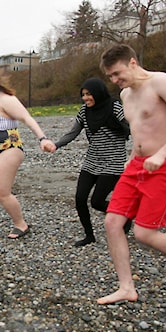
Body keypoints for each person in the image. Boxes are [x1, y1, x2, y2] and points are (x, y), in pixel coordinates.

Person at [96, 44, 166, 304]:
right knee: (112, 223)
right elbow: (140, 131)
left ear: (132, 63)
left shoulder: (161, 82)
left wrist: (162, 153)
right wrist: (132, 158)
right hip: (137, 165)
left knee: (144, 232)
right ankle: (126, 287)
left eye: (117, 73)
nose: (115, 80)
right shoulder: (126, 95)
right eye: (110, 77)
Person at [0, 67, 56, 239]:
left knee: (2, 191)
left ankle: (21, 224)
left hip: (8, 148)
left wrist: (43, 138)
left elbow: (27, 118)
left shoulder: (7, 100)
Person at [51, 77, 129, 247]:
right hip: (92, 159)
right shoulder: (84, 111)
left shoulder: (115, 107)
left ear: (98, 93)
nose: (86, 98)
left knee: (97, 202)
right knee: (80, 198)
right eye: (83, 95)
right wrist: (55, 145)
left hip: (113, 161)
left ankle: (126, 216)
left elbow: (131, 125)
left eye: (89, 94)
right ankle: (89, 236)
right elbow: (73, 133)